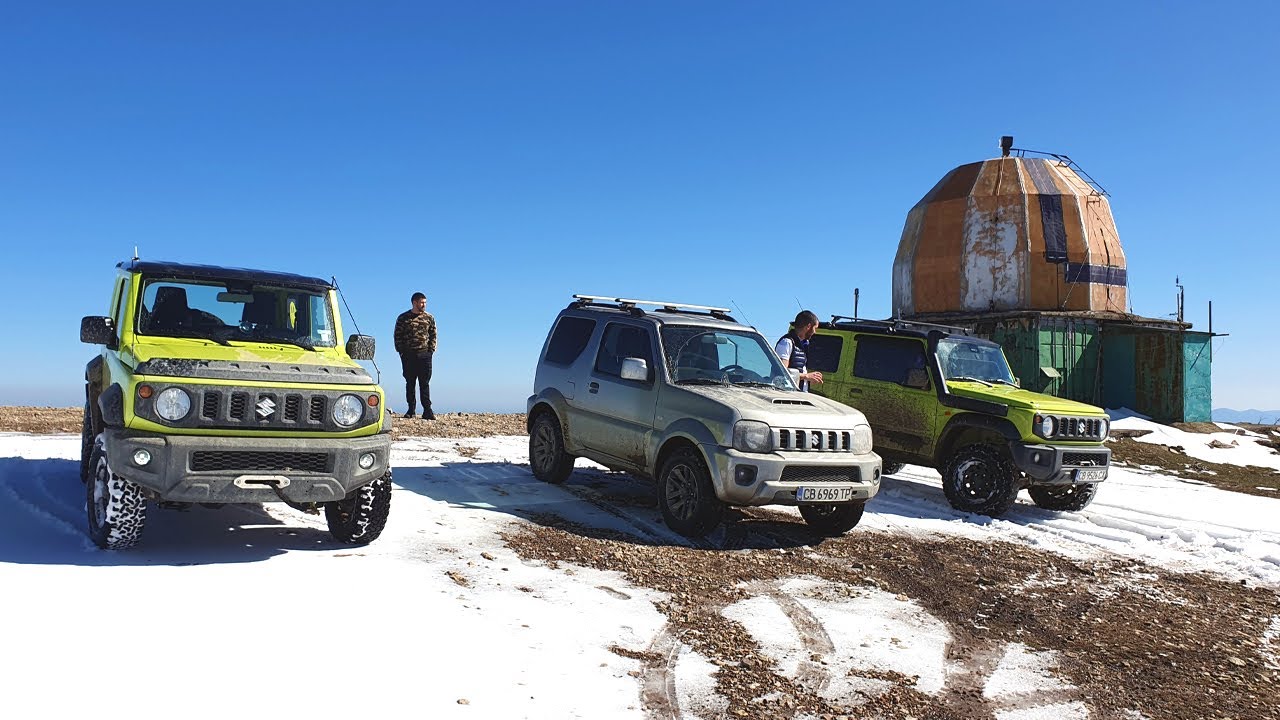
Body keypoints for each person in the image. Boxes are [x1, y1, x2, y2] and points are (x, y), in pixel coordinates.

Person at [393, 292, 437, 419]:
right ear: (414, 302)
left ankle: (427, 411)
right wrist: (401, 352)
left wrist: (431, 351)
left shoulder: (429, 318)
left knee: (425, 383)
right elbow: (397, 336)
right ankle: (411, 410)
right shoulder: (403, 318)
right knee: (410, 382)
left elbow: (433, 334)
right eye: (421, 302)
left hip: (425, 355)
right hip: (408, 355)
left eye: (425, 302)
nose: (424, 305)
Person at [776, 310, 823, 391]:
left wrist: (809, 378)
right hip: (788, 393)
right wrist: (806, 376)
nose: (815, 332)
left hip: (800, 392)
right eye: (815, 328)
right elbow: (781, 372)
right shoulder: (786, 342)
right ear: (808, 326)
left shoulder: (803, 344)